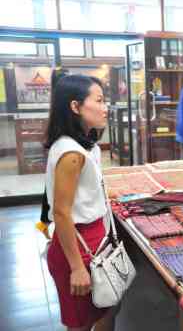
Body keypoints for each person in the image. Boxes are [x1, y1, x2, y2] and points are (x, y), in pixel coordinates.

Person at [45, 75, 118, 330]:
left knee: (102, 314)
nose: (105, 107)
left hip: (92, 243)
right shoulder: (71, 153)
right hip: (77, 247)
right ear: (75, 107)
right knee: (81, 323)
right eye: (98, 100)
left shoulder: (84, 145)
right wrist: (77, 268)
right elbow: (62, 213)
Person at [37, 67, 70, 241]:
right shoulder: (64, 102)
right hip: (63, 149)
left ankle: (43, 223)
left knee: (50, 188)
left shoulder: (56, 102)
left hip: (57, 148)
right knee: (53, 191)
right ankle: (45, 222)